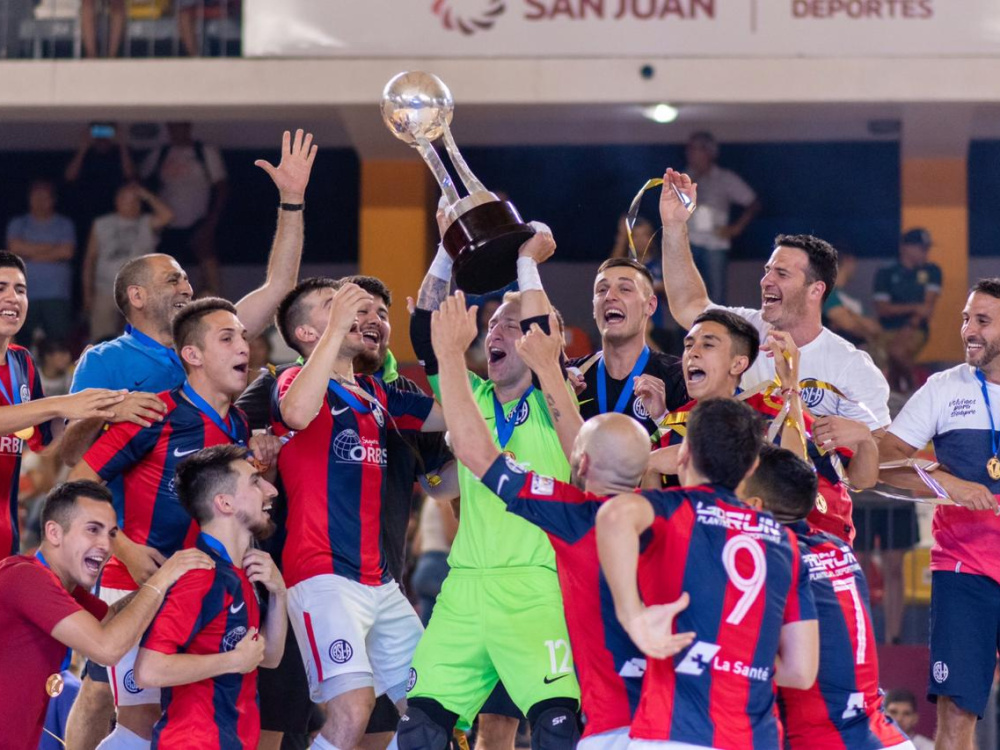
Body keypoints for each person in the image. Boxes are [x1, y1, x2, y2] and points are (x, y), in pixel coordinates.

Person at [61, 128, 314, 750]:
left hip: (202, 578)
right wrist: (120, 545)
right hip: (138, 569)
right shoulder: (112, 365)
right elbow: (72, 464)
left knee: (179, 716)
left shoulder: (213, 361)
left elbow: (278, 284)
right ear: (137, 295)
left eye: (186, 278)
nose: (186, 285)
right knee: (117, 703)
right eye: (173, 278)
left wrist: (291, 202)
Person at [430, 291, 692, 750]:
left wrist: (451, 354)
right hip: (680, 726)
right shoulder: (686, 518)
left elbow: (477, 454)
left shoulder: (567, 512)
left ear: (582, 462)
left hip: (605, 728)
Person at [236, 274, 455, 750]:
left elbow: (452, 412)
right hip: (322, 577)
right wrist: (337, 327)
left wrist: (444, 349)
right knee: (352, 711)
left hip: (382, 582)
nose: (354, 311)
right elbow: (296, 413)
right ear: (306, 333)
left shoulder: (380, 394)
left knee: (432, 708)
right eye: (332, 305)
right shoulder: (292, 382)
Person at [69, 298, 282, 750]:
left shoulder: (240, 424)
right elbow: (76, 486)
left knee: (190, 714)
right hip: (137, 583)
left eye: (244, 337)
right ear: (192, 354)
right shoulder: (155, 413)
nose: (244, 346)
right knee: (139, 721)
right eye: (227, 338)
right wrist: (123, 547)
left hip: (206, 591)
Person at [402, 228, 581, 750]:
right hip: (463, 587)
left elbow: (542, 327)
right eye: (491, 325)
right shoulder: (471, 395)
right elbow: (426, 333)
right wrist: (446, 248)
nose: (494, 332)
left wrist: (527, 263)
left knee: (556, 731)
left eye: (510, 324)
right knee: (419, 731)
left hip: (535, 588)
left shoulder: (555, 398)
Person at [658, 168, 888, 537]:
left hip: (814, 529)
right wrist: (673, 225)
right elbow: (688, 304)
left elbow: (868, 471)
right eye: (767, 270)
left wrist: (862, 437)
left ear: (815, 290)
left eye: (781, 273)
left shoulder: (851, 366)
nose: (766, 280)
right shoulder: (743, 330)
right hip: (741, 521)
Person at [597, 398, 820, 750]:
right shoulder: (786, 543)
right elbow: (801, 671)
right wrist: (736, 658)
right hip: (755, 738)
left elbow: (613, 515)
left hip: (674, 734)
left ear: (683, 453)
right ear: (752, 467)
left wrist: (632, 616)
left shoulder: (674, 509)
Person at [878, 278, 1000, 750]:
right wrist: (949, 484)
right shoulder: (944, 389)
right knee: (955, 717)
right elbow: (882, 464)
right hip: (963, 570)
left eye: (982, 321)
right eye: (966, 319)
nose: (968, 330)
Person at [0, 480, 213, 750]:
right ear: (54, 533)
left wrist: (170, 582)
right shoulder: (26, 578)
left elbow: (110, 619)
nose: (105, 545)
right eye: (92, 530)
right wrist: (163, 578)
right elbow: (107, 648)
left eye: (111, 534)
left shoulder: (63, 587)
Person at [745, 445, 912, 750]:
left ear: (754, 504)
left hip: (828, 741)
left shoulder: (772, 556)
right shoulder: (838, 549)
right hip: (886, 737)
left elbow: (794, 672)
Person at [654, 309, 867, 544]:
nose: (692, 353)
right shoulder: (672, 427)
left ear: (738, 364)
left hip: (804, 549)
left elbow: (854, 479)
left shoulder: (777, 411)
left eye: (708, 345)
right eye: (688, 345)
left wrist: (791, 387)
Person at [133, 444, 288, 749]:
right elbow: (148, 670)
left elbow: (268, 657)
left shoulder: (240, 571)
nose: (271, 490)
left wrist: (279, 594)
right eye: (255, 482)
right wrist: (233, 660)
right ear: (225, 503)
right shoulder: (201, 574)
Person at [0, 250, 125, 560]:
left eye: (20, 289)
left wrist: (86, 393)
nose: (13, 297)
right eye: (1, 288)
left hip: (6, 535)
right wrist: (63, 403)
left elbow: (45, 440)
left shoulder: (22, 362)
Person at [566, 257, 688, 436]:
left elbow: (692, 445)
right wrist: (557, 403)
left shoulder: (679, 377)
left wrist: (661, 416)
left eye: (625, 289)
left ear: (650, 305)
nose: (610, 296)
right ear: (593, 308)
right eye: (602, 290)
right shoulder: (570, 377)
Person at [139, 122, 228, 294]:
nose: (177, 130)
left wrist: (211, 223)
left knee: (207, 261)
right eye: (173, 126)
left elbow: (222, 187)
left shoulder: (204, 152)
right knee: (168, 269)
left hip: (199, 220)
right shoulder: (160, 153)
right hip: (168, 223)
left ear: (189, 127)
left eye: (181, 126)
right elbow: (139, 181)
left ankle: (216, 301)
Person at [83, 182, 174, 341]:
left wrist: (146, 194)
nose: (132, 204)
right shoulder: (101, 224)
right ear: (117, 201)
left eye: (135, 201)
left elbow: (168, 216)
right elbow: (90, 260)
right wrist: (87, 293)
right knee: (101, 339)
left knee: (143, 338)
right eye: (126, 200)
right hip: (105, 289)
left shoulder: (147, 222)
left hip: (141, 291)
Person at [682, 131, 761, 304]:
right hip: (689, 241)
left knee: (716, 293)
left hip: (715, 242)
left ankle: (716, 321)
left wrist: (736, 228)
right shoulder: (683, 178)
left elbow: (753, 202)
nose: (690, 154)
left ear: (709, 152)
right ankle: (691, 322)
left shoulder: (725, 178)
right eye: (689, 149)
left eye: (696, 149)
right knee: (689, 291)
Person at [6, 179, 76, 345]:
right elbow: (14, 248)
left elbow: (66, 252)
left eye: (44, 197)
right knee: (20, 343)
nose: (39, 201)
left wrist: (29, 253)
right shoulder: (18, 223)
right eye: (35, 196)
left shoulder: (64, 224)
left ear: (53, 200)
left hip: (56, 294)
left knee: (58, 343)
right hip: (22, 294)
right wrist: (52, 249)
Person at [873, 228, 943, 394]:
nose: (925, 252)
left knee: (897, 352)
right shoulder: (886, 272)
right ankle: (897, 394)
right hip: (885, 329)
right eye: (921, 248)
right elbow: (883, 309)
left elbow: (926, 309)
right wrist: (914, 307)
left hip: (916, 328)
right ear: (905, 247)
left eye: (927, 248)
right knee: (879, 359)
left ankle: (916, 389)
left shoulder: (932, 271)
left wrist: (909, 326)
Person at [822, 252, 882, 349]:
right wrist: (867, 333)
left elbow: (875, 328)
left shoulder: (849, 298)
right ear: (848, 261)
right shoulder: (827, 294)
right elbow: (848, 325)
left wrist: (851, 314)